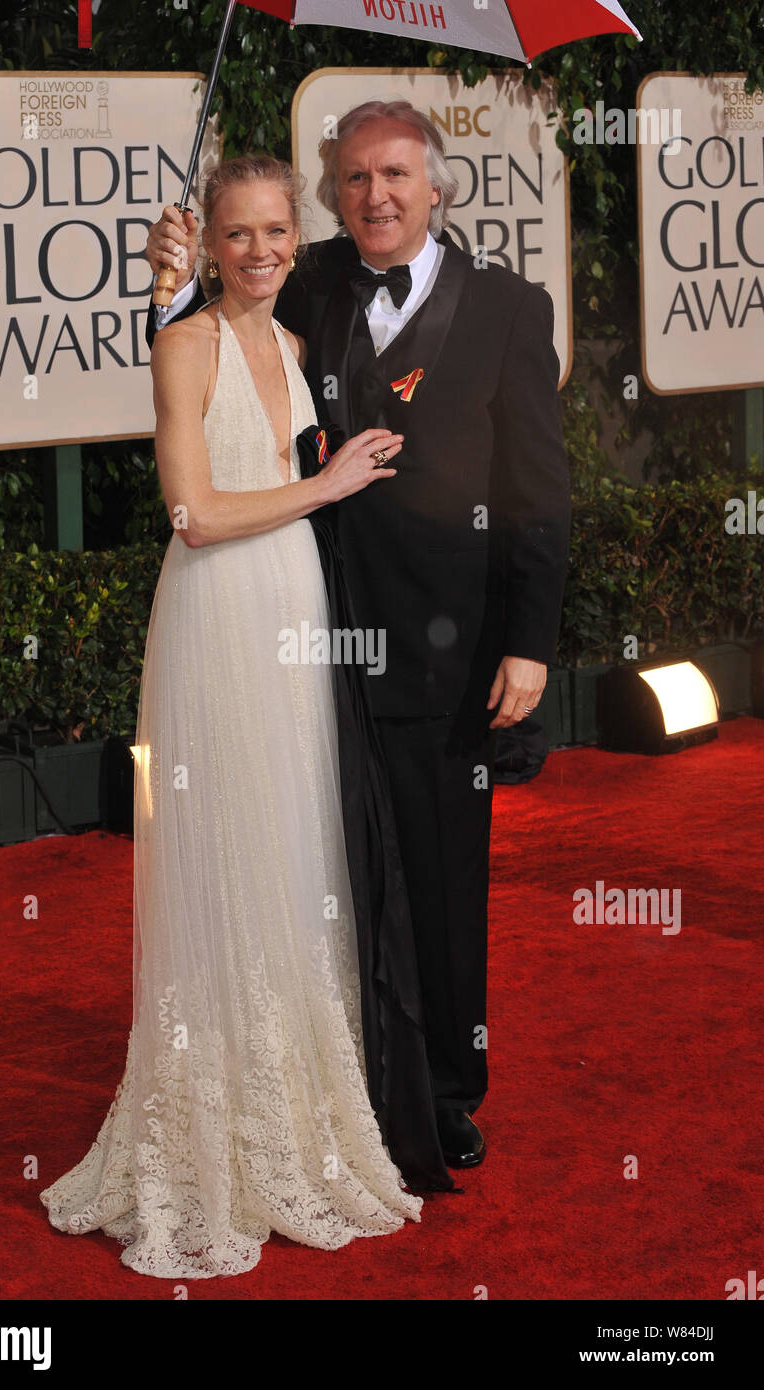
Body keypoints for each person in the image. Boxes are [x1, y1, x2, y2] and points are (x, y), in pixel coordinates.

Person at [40, 154, 451, 1283]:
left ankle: (296, 1119)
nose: (263, 251)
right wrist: (327, 485)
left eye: (277, 231)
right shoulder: (186, 345)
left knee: (289, 854)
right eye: (239, 234)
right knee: (221, 861)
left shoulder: (298, 346)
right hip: (217, 616)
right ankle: (208, 1135)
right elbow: (196, 513)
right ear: (206, 241)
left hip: (295, 612)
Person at [144, 100, 572, 1169]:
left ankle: (444, 1090)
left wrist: (530, 640)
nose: (375, 195)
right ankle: (343, 1074)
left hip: (448, 650)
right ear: (333, 194)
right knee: (317, 869)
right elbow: (210, 343)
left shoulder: (511, 310)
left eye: (395, 176)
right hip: (307, 637)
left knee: (438, 877)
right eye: (354, 178)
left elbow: (539, 491)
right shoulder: (314, 275)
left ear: (435, 188)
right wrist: (164, 280)